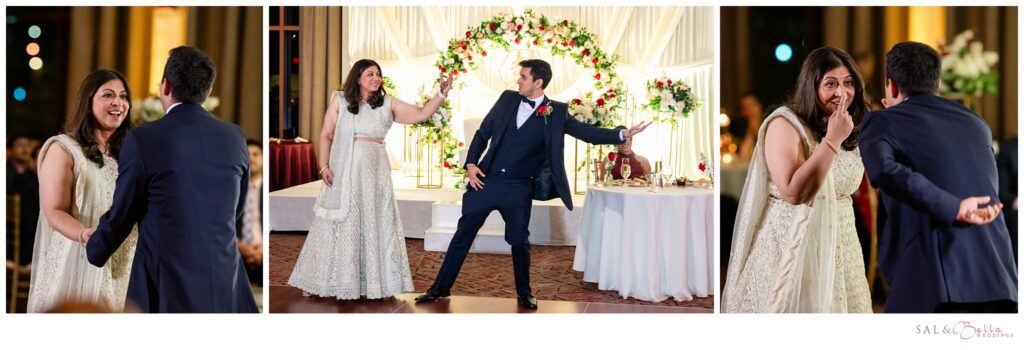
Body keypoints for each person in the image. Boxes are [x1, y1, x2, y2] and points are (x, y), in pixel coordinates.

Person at [415, 59, 651, 309]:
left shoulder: (556, 112)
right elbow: (483, 132)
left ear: (538, 83)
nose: (518, 80)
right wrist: (471, 163)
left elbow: (586, 133)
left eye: (524, 76)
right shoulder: (507, 99)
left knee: (519, 241)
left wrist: (622, 134)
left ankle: (524, 293)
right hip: (485, 181)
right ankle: (439, 288)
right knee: (462, 235)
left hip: (518, 188)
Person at [84, 46, 258, 313]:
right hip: (225, 276)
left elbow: (123, 212)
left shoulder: (144, 138)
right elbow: (235, 211)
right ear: (208, 91)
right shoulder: (235, 137)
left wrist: (95, 247)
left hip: (165, 279)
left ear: (165, 86)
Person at [860, 42, 1017, 313]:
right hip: (997, 277)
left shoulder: (881, 121)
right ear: (938, 81)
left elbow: (884, 170)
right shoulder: (976, 121)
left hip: (934, 279)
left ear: (892, 86)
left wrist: (953, 207)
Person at [722, 47, 872, 313]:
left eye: (848, 83)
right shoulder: (785, 123)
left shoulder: (849, 124)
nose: (842, 92)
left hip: (841, 243)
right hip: (793, 243)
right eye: (831, 84)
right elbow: (792, 191)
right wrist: (832, 141)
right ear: (811, 86)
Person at [288, 59, 452, 300]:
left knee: (374, 221)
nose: (376, 78)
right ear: (357, 78)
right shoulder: (341, 100)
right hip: (346, 172)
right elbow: (326, 134)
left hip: (375, 174)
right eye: (370, 74)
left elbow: (420, 114)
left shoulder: (387, 104)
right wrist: (323, 166)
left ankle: (373, 283)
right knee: (340, 222)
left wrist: (441, 94)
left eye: (378, 74)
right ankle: (321, 280)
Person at [26, 70, 138, 313]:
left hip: (122, 263)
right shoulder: (64, 149)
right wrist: (84, 235)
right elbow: (54, 210)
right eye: (108, 95)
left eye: (123, 96)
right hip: (77, 257)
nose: (118, 102)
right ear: (88, 102)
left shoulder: (131, 154)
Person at [7, 134, 41, 266]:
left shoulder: (32, 181)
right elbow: (27, 223)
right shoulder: (25, 183)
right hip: (26, 250)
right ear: (31, 161)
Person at [238, 139, 264, 286]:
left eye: (256, 154)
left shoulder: (269, 189)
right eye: (247, 154)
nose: (252, 158)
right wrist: (242, 247)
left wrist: (262, 247)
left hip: (264, 249)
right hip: (236, 249)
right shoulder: (231, 190)